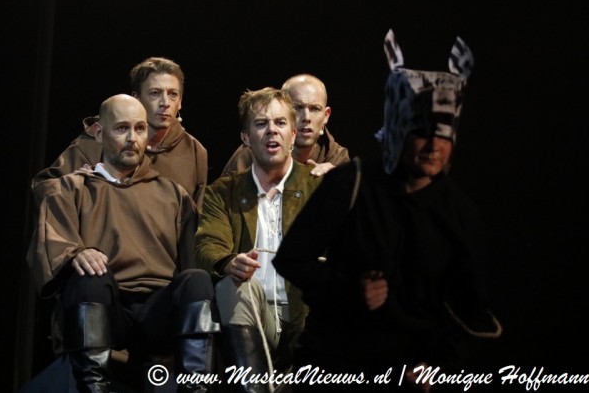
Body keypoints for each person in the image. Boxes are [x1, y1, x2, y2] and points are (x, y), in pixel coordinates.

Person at [273, 30, 502, 392]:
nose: (433, 146)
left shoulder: (458, 212)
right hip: (338, 365)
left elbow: (474, 309)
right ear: (398, 128)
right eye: (420, 132)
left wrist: (439, 366)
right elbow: (291, 259)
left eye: (443, 134)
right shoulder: (351, 184)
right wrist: (349, 291)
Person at [26, 94, 220, 393]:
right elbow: (52, 244)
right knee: (90, 274)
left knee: (196, 279)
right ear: (99, 133)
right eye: (121, 129)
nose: (132, 138)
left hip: (157, 313)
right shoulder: (71, 189)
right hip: (106, 309)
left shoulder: (173, 195)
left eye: (140, 129)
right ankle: (94, 386)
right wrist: (76, 253)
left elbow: (194, 258)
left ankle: (196, 387)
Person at [195, 87, 323, 392]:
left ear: (293, 134)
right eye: (261, 124)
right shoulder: (222, 193)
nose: (272, 131)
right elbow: (207, 244)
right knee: (235, 284)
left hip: (306, 317)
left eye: (280, 123)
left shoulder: (320, 188)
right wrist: (229, 262)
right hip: (251, 315)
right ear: (245, 137)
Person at [32, 56, 208, 210]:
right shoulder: (99, 139)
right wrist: (87, 197)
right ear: (136, 98)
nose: (165, 103)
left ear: (180, 101)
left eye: (172, 94)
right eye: (155, 93)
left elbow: (197, 216)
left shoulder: (194, 151)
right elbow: (44, 187)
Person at [221, 74, 349, 178]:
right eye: (297, 108)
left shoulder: (336, 158)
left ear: (326, 115)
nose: (306, 118)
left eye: (315, 109)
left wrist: (336, 183)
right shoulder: (253, 151)